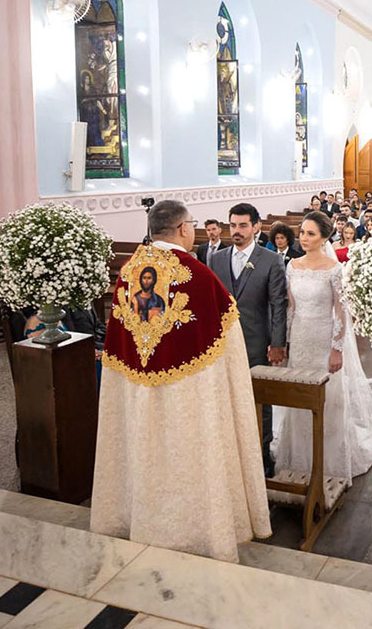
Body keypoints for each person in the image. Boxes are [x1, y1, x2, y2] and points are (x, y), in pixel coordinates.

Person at [92, 200, 270, 562]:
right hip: (189, 401)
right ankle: (201, 530)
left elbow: (117, 343)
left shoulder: (128, 271)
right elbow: (229, 348)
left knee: (146, 454)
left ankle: (140, 520)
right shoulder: (199, 276)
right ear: (184, 228)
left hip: (139, 395)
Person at [275, 211, 372, 483]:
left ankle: (330, 461)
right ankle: (300, 459)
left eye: (310, 234)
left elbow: (340, 312)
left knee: (329, 398)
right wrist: (285, 343)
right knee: (299, 397)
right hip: (301, 341)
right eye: (302, 232)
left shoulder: (334, 268)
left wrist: (337, 349)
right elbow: (291, 308)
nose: (303, 238)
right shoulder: (292, 266)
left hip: (324, 338)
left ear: (324, 238)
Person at [208, 203, 288, 475]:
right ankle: (232, 454)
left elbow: (278, 305)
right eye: (233, 225)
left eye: (243, 225)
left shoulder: (271, 260)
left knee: (259, 400)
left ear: (256, 227)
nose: (237, 231)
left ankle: (263, 457)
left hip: (257, 341)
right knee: (227, 399)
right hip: (223, 345)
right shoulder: (217, 259)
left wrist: (277, 344)